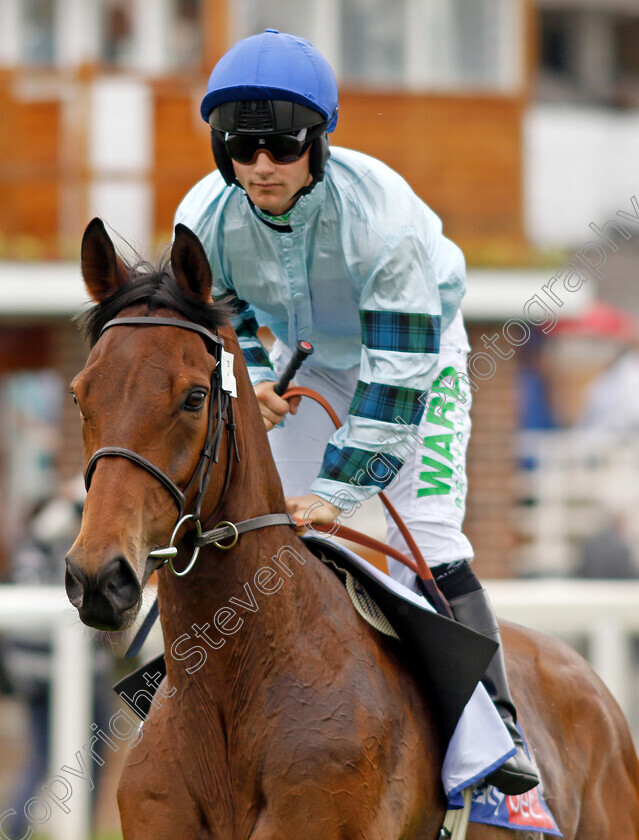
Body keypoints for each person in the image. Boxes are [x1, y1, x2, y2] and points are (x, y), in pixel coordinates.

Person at [174, 28, 538, 795]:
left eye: (280, 146)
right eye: (242, 149)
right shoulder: (204, 214)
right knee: (266, 530)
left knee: (430, 538)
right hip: (316, 356)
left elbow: (394, 387)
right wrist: (261, 375)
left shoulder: (384, 218)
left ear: (317, 142)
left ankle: (497, 730)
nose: (262, 166)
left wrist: (337, 495)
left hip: (414, 359)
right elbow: (219, 310)